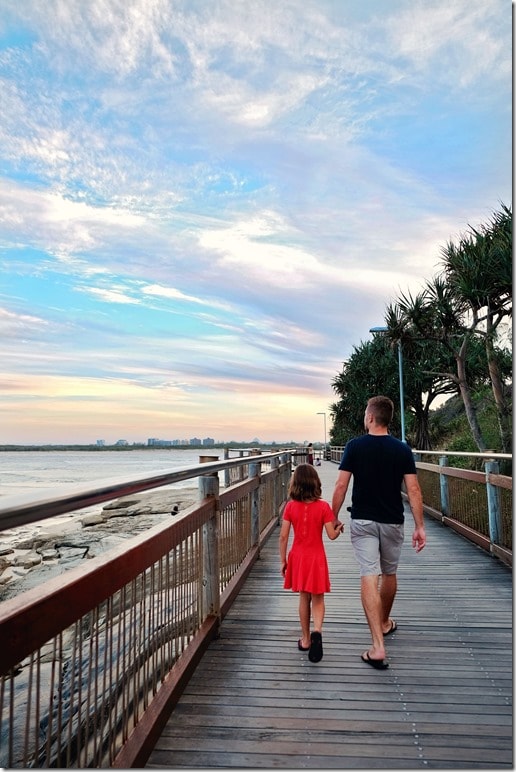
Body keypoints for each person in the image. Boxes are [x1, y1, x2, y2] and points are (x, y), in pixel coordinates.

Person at [331, 395, 426, 670]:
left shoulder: (354, 446)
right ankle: (384, 622)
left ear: (371, 417)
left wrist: (332, 517)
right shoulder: (402, 449)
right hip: (393, 521)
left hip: (363, 522)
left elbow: (340, 486)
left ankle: (377, 646)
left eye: (365, 413)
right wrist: (420, 526)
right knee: (389, 573)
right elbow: (414, 490)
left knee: (368, 575)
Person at [279, 463, 343, 662]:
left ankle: (306, 639)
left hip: (298, 557)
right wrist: (339, 528)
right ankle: (317, 630)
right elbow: (331, 535)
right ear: (315, 482)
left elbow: (283, 537)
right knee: (318, 598)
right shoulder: (323, 507)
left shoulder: (290, 507)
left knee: (303, 598)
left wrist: (283, 560)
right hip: (317, 558)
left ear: (294, 484)